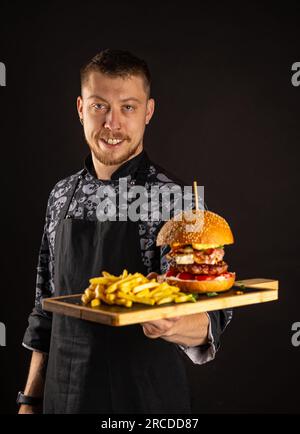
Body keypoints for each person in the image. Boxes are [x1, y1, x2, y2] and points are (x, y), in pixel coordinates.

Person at [18, 49, 232, 414]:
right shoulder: (60, 196)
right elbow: (45, 308)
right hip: (62, 399)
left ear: (148, 112)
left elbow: (210, 318)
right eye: (100, 106)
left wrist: (172, 322)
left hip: (143, 403)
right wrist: (30, 400)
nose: (112, 124)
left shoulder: (176, 201)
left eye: (128, 108)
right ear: (80, 109)